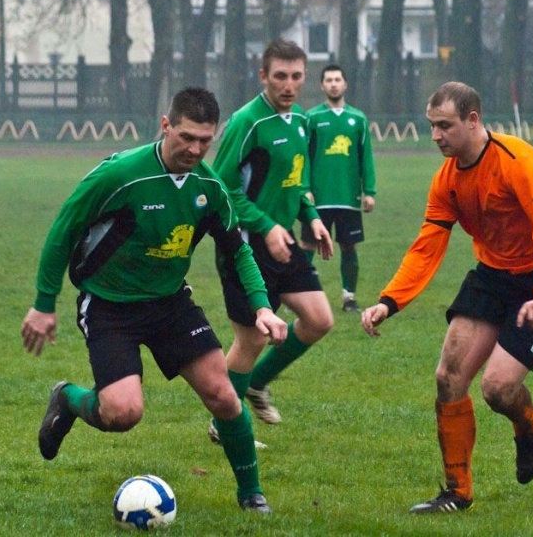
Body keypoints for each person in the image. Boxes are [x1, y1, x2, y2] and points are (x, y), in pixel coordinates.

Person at [21, 87, 288, 514]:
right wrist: (43, 302)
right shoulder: (121, 174)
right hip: (110, 305)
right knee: (123, 413)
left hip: (170, 303)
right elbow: (64, 229)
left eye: (205, 140)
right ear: (165, 125)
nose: (195, 148)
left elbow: (237, 248)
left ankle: (251, 495)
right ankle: (69, 398)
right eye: (186, 136)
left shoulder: (209, 186)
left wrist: (261, 306)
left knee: (222, 393)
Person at [361, 82, 533, 514]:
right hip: (494, 274)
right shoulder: (447, 178)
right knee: (448, 377)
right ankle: (457, 493)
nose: (436, 136)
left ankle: (529, 424)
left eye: (445, 126)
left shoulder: (516, 162)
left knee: (498, 389)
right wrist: (389, 301)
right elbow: (427, 245)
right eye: (431, 126)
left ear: (473, 120)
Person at [210, 38, 334, 428]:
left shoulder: (300, 121)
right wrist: (266, 226)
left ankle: (257, 384)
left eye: (296, 76)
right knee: (252, 340)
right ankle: (224, 421)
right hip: (246, 245)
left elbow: (296, 181)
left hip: (284, 241)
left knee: (319, 320)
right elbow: (222, 189)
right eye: (280, 76)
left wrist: (310, 215)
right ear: (263, 76)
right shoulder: (247, 122)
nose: (289, 85)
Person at [301, 63, 376, 313]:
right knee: (309, 245)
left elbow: (366, 158)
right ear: (322, 85)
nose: (333, 84)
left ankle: (349, 298)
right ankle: (298, 293)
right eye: (329, 80)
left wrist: (370, 192)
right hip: (318, 199)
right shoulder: (312, 118)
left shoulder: (358, 119)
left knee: (348, 246)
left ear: (345, 84)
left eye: (337, 79)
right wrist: (305, 188)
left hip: (348, 198)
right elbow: (303, 156)